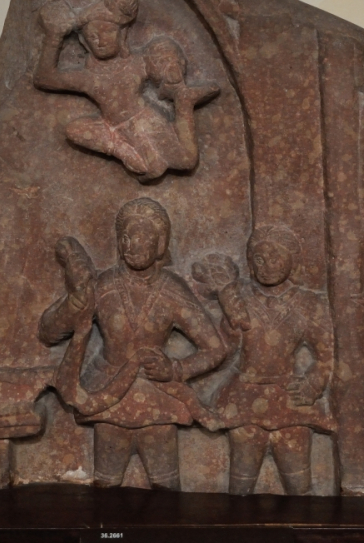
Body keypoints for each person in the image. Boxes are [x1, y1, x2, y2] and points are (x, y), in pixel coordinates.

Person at [40, 198, 228, 490]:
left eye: (143, 237)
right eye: (126, 238)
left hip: (157, 395)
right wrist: (75, 301)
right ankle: (108, 523)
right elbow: (49, 332)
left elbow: (215, 348)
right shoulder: (104, 285)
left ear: (160, 244)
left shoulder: (171, 289)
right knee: (106, 486)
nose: (132, 245)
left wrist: (176, 369)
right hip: (107, 391)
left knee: (165, 486)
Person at [193, 225, 335, 495]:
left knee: (298, 483)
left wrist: (314, 382)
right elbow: (224, 350)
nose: (267, 265)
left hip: (289, 396)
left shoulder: (308, 304)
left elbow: (327, 353)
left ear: (291, 261)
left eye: (275, 258)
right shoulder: (240, 299)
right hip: (245, 394)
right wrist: (229, 323)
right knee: (241, 482)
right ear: (250, 263)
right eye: (259, 259)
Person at [33, 0, 219, 180]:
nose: (100, 41)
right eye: (92, 36)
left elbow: (162, 60)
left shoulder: (136, 63)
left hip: (146, 120)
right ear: (85, 43)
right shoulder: (87, 78)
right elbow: (44, 79)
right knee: (74, 130)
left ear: (122, 34)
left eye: (107, 32)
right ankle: (120, 150)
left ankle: (185, 103)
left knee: (186, 161)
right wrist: (53, 38)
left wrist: (172, 72)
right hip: (113, 129)